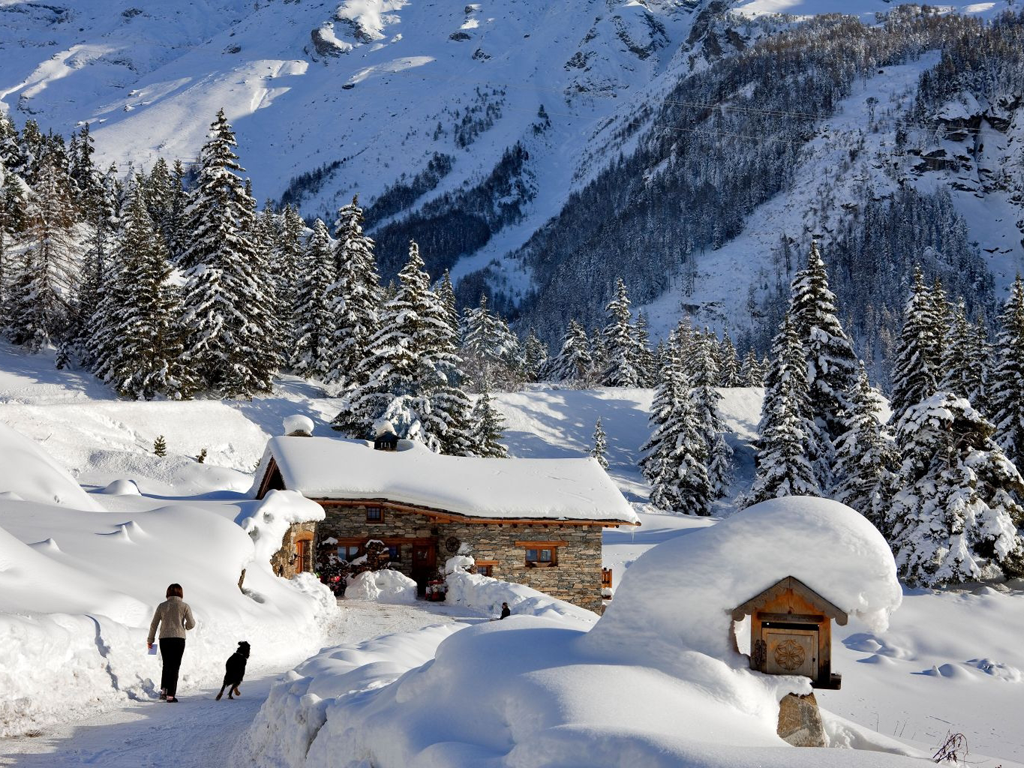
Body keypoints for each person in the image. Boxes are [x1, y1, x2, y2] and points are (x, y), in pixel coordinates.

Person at [147, 583, 196, 703]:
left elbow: (154, 624)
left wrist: (150, 640)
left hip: (164, 639)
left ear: (168, 593)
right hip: (178, 639)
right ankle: (171, 695)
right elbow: (192, 624)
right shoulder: (184, 606)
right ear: (181, 593)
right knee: (175, 667)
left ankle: (164, 691)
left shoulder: (162, 606)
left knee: (166, 665)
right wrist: (185, 627)